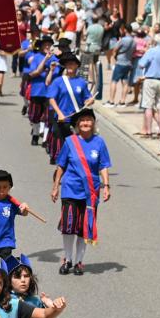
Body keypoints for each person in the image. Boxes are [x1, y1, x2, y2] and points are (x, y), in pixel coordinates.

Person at [51, 108, 111, 275]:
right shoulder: (70, 142)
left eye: (88, 120)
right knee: (68, 226)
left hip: (90, 192)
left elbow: (104, 166)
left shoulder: (99, 143)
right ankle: (68, 258)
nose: (85, 123)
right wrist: (56, 186)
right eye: (82, 121)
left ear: (93, 123)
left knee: (84, 228)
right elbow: (61, 165)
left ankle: (79, 262)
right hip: (70, 189)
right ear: (77, 124)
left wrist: (106, 186)